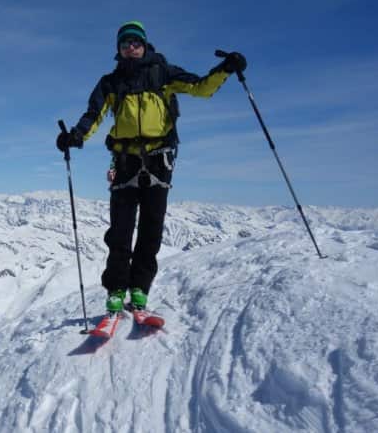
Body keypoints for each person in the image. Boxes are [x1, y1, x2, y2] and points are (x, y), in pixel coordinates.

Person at [56, 20, 246, 314]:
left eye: (135, 42)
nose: (131, 47)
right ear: (118, 49)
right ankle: (117, 289)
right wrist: (75, 136)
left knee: (151, 230)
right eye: (125, 43)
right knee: (120, 231)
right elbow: (93, 114)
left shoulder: (163, 72)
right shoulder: (110, 83)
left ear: (144, 44)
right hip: (125, 162)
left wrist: (226, 69)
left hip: (159, 161)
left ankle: (139, 289)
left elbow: (200, 88)